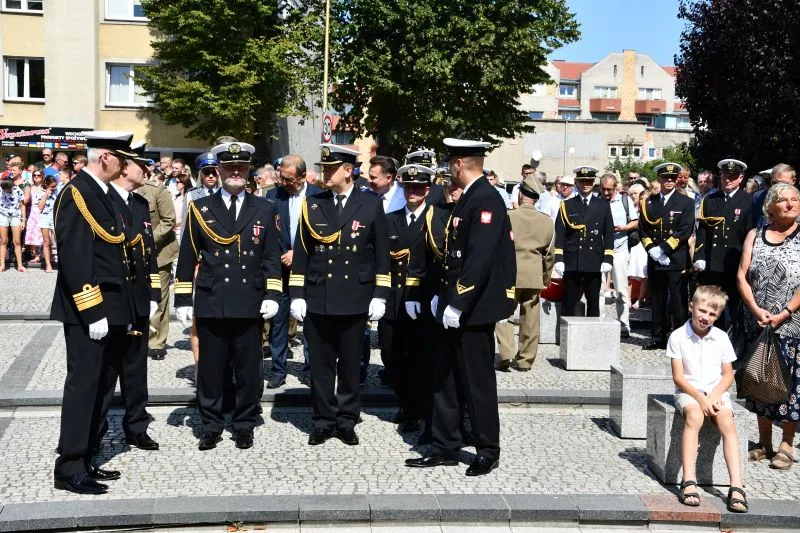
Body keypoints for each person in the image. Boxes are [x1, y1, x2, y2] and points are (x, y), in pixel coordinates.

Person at [405, 138, 515, 477]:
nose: (448, 172)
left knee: (477, 383)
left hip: (473, 310)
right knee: (446, 379)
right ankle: (445, 446)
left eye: (450, 164)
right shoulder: (469, 197)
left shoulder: (486, 199)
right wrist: (443, 296)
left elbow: (479, 258)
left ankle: (487, 450)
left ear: (458, 164)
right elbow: (454, 255)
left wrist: (459, 301)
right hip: (453, 306)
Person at [174, 140, 282, 451]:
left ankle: (244, 423)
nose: (235, 171)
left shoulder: (264, 208)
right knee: (211, 369)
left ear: (249, 171)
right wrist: (183, 298)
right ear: (219, 170)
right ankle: (211, 424)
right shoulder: (200, 208)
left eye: (241, 167)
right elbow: (187, 256)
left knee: (248, 370)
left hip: (250, 300)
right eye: (229, 167)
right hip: (212, 299)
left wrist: (273, 293)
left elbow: (271, 257)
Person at [50, 131, 138, 495]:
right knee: (84, 387)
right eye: (122, 158)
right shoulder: (77, 193)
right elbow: (75, 256)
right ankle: (69, 465)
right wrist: (92, 310)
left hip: (112, 308)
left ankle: (87, 456)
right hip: (88, 310)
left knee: (103, 388)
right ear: (106, 157)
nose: (125, 166)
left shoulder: (102, 194)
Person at [289, 143, 390, 446]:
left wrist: (380, 294)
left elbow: (381, 254)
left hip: (354, 297)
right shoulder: (313, 204)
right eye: (324, 168)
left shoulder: (370, 204)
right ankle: (322, 420)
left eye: (331, 169)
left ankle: (347, 419)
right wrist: (297, 294)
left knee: (349, 366)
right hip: (319, 295)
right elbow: (302, 253)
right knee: (320, 366)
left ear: (348, 171)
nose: (325, 174)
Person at [737, 182, 800, 471]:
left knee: (790, 385)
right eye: (784, 200)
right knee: (760, 381)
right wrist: (755, 309)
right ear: (770, 207)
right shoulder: (755, 235)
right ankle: (764, 442)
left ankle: (786, 443)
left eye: (795, 199)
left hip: (792, 324)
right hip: (759, 321)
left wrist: (785, 312)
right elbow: (742, 276)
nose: (791, 204)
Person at [669, 285, 746, 513]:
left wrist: (712, 397)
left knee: (727, 422)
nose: (706, 317)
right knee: (694, 416)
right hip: (688, 391)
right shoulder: (678, 336)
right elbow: (679, 377)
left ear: (718, 315)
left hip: (716, 392)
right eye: (702, 311)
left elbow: (728, 374)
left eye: (712, 314)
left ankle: (736, 485)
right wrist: (700, 399)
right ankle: (688, 480)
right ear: (691, 307)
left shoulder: (721, 337)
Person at [104, 142, 161, 451]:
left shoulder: (140, 203)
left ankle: (137, 427)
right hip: (113, 301)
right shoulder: (103, 200)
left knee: (136, 369)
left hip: (138, 297)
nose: (147, 170)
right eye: (142, 164)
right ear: (125, 167)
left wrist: (153, 293)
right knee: (106, 371)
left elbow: (148, 250)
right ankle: (95, 432)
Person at [380, 163, 432, 431]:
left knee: (419, 356)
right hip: (393, 298)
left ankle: (418, 408)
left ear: (428, 189)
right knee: (391, 353)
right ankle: (404, 401)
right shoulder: (390, 219)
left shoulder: (436, 219)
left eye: (418, 187)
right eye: (408, 187)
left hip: (421, 298)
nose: (412, 192)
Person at [264, 154, 321, 388]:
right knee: (279, 322)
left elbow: (322, 233)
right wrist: (284, 254)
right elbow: (270, 233)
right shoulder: (273, 196)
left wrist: (298, 253)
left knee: (310, 321)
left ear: (302, 176)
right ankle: (278, 369)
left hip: (310, 270)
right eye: (281, 177)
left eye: (288, 179)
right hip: (282, 269)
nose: (283, 182)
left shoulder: (319, 196)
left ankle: (310, 369)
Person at [495, 175, 554, 371]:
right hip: (533, 274)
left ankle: (505, 354)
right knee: (530, 319)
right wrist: (545, 278)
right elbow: (549, 254)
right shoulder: (546, 221)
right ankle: (525, 360)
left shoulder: (508, 216)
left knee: (504, 315)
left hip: (509, 273)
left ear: (520, 194)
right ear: (536, 198)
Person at [639, 163, 695, 350]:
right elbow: (643, 229)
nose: (669, 181)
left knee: (679, 301)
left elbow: (684, 230)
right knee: (657, 299)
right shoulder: (649, 202)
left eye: (672, 178)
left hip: (676, 258)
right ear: (659, 179)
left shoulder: (685, 202)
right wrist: (652, 250)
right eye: (665, 178)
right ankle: (658, 337)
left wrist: (663, 249)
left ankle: (680, 340)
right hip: (655, 258)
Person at [694, 159, 753, 327]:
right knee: (711, 305)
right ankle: (710, 336)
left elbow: (750, 233)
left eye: (732, 176)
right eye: (725, 175)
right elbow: (702, 230)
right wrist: (699, 255)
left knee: (734, 307)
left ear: (740, 178)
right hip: (712, 262)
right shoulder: (711, 199)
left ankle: (734, 340)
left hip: (734, 262)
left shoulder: (748, 201)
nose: (728, 180)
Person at [553, 166, 614, 318]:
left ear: (594, 183)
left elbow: (608, 234)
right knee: (569, 302)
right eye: (582, 181)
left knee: (593, 303)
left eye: (589, 181)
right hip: (572, 259)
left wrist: (608, 258)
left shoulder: (602, 205)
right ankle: (566, 331)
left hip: (594, 260)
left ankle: (592, 332)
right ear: (577, 183)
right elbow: (560, 234)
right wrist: (559, 259)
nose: (586, 184)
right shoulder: (567, 205)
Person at [137, 167, 178, 361]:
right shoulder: (118, 191)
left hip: (159, 253)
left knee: (159, 299)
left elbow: (169, 220)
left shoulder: (157, 191)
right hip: (132, 255)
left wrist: (149, 240)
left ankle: (156, 342)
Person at [600, 173, 638, 337]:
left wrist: (624, 228)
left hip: (619, 249)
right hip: (601, 250)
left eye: (609, 189)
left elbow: (635, 221)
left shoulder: (625, 200)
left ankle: (624, 324)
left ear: (615, 187)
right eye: (603, 189)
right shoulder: (598, 201)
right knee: (599, 290)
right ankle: (599, 323)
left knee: (621, 289)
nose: (606, 193)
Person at [0, 165, 27, 272]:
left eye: (8, 189)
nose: (6, 191)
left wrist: (23, 220)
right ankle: (2, 265)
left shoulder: (18, 190)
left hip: (15, 216)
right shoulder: (1, 189)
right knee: (3, 241)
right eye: (5, 189)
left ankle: (20, 265)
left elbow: (22, 205)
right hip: (3, 215)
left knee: (17, 241)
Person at [626, 182, 649, 308]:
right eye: (631, 194)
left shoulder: (649, 210)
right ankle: (628, 298)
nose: (633, 196)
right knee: (629, 273)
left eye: (636, 193)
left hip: (643, 244)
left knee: (643, 273)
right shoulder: (628, 209)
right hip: (630, 243)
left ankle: (640, 299)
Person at [753, 164, 795, 228]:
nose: (779, 187)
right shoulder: (758, 196)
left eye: (784, 184)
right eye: (775, 183)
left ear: (793, 181)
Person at [23, 168, 45, 266]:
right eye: (34, 175)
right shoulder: (30, 187)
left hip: (43, 212)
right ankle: (36, 255)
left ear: (42, 176)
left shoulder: (45, 187)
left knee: (42, 234)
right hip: (31, 212)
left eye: (38, 175)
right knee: (32, 233)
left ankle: (44, 254)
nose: (36, 177)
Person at [38, 175, 58, 272]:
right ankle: (48, 265)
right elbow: (40, 207)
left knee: (59, 240)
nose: (54, 188)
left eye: (55, 186)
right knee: (46, 242)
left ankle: (63, 263)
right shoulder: (40, 192)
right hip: (44, 218)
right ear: (46, 184)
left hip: (55, 218)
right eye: (52, 186)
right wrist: (46, 194)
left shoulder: (57, 191)